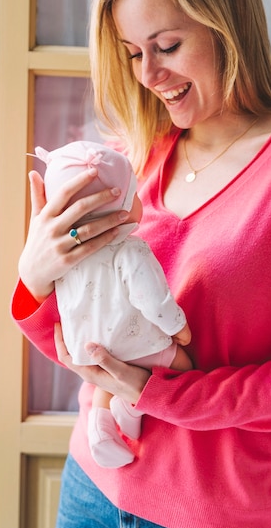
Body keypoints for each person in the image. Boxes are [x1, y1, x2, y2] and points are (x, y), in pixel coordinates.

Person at [11, 0, 271, 528]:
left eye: (165, 45)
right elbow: (85, 343)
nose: (149, 75)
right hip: (93, 493)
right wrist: (34, 276)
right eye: (133, 53)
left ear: (226, 25)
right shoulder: (132, 154)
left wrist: (165, 393)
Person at [32, 140, 192, 468]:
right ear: (119, 209)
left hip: (86, 349)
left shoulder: (66, 259)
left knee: (106, 373)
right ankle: (134, 408)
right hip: (137, 344)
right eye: (134, 195)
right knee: (181, 367)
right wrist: (179, 328)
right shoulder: (131, 250)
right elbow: (153, 301)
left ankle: (102, 426)